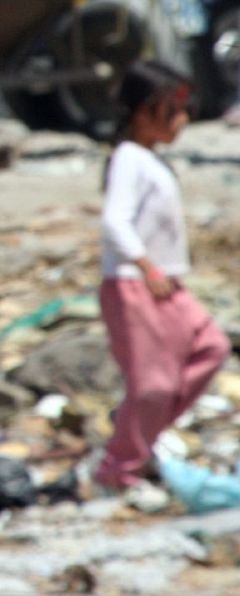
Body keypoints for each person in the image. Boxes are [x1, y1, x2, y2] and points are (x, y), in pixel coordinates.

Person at [94, 61, 228, 494]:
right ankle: (119, 469)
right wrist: (146, 266)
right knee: (152, 386)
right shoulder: (128, 158)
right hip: (136, 283)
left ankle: (135, 433)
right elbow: (114, 221)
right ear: (143, 112)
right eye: (172, 111)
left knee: (211, 347)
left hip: (165, 283)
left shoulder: (151, 160)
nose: (181, 121)